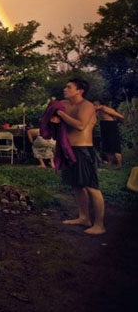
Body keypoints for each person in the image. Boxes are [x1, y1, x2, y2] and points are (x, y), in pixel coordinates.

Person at [51, 79, 105, 235]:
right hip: (68, 149)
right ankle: (84, 217)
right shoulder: (64, 104)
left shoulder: (86, 106)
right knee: (76, 185)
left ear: (79, 91)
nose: (64, 88)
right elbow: (57, 122)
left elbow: (80, 125)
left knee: (91, 186)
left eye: (69, 87)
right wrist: (55, 120)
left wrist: (60, 114)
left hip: (83, 150)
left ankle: (100, 225)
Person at [94, 100, 124, 168]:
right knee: (108, 146)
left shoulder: (104, 108)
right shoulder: (99, 111)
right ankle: (110, 163)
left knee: (115, 146)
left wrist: (118, 123)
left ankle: (119, 165)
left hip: (111, 127)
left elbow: (121, 116)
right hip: (105, 127)